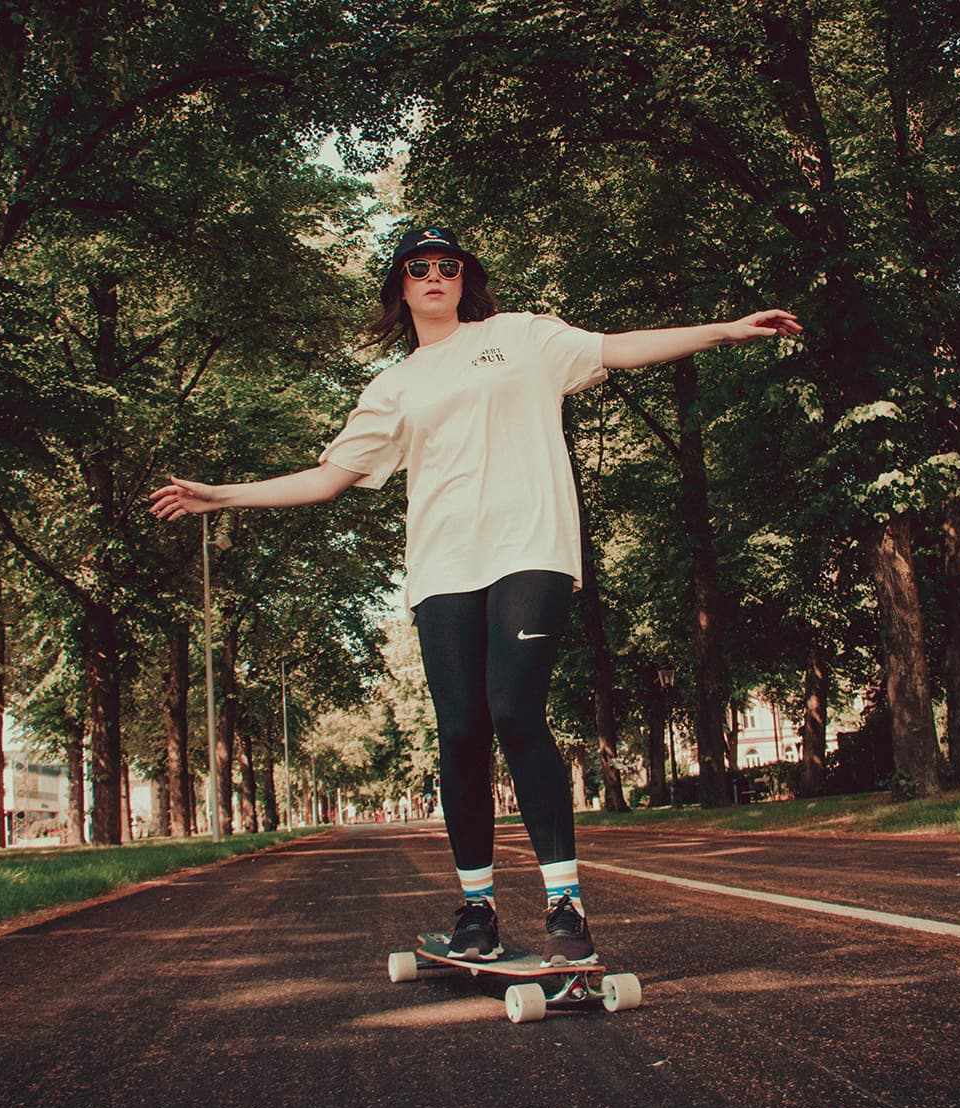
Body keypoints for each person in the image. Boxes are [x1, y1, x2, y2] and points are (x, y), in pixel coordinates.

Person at [150, 224, 800, 964]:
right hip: (443, 567)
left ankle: (564, 905)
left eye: (447, 266)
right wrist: (221, 496)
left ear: (465, 278)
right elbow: (328, 480)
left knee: (516, 708)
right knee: (460, 731)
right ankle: (477, 909)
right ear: (400, 285)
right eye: (419, 267)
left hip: (531, 548)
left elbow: (621, 345)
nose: (434, 275)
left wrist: (725, 332)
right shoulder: (393, 386)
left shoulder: (523, 336)